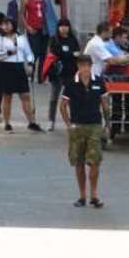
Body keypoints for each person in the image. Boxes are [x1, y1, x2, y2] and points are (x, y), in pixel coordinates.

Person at [60, 55, 110, 208]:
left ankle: (94, 195)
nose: (85, 69)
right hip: (77, 126)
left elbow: (105, 104)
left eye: (87, 65)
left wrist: (107, 125)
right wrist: (69, 124)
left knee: (95, 161)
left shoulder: (99, 82)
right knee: (79, 162)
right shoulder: (71, 83)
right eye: (82, 66)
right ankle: (82, 195)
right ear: (78, 67)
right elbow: (63, 105)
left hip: (95, 125)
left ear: (91, 66)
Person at [0, 18, 41, 132]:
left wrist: (31, 63)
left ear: (13, 25)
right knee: (7, 97)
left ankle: (32, 122)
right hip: (5, 68)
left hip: (19, 68)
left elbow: (28, 52)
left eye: (8, 24)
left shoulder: (21, 38)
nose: (6, 27)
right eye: (3, 24)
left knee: (25, 95)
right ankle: (7, 123)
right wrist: (8, 53)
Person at [44, 17, 81, 125]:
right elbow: (55, 53)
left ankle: (74, 119)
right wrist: (70, 55)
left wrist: (70, 56)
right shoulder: (54, 39)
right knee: (54, 97)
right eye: (61, 26)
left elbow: (77, 53)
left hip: (70, 72)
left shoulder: (73, 39)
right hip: (57, 72)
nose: (64, 28)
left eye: (66, 26)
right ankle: (51, 120)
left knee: (71, 97)